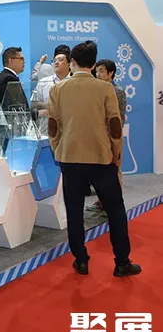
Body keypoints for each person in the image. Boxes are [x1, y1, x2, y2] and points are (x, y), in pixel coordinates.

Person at [48, 41, 140, 278]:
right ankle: (122, 262)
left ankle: (81, 260)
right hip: (101, 158)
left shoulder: (58, 89)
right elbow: (115, 125)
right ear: (92, 63)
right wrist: (116, 154)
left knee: (74, 211)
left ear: (72, 62)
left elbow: (53, 126)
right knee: (116, 209)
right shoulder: (105, 89)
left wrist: (58, 149)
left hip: (70, 158)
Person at [90, 59, 128, 211]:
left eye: (101, 71)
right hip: (98, 136)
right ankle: (102, 201)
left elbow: (119, 117)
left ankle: (115, 205)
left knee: (114, 170)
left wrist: (113, 135)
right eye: (96, 71)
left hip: (112, 137)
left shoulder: (117, 91)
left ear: (111, 73)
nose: (98, 74)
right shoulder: (96, 90)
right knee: (100, 171)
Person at [0, 47, 29, 151]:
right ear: (11, 60)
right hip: (10, 129)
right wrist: (36, 113)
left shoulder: (7, 76)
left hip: (9, 128)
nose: (24, 61)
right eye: (21, 58)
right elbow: (16, 106)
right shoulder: (8, 78)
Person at [31, 49, 70, 136]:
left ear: (69, 64)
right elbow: (33, 104)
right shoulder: (43, 82)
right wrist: (48, 106)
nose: (56, 63)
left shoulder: (74, 82)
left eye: (60, 60)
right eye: (54, 60)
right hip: (46, 130)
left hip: (69, 130)